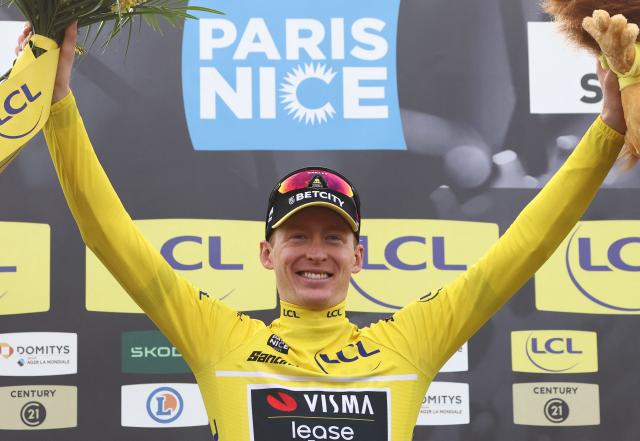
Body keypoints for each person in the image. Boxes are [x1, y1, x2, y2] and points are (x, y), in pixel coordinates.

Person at [17, 19, 627, 441]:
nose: (316, 252)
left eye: (332, 237)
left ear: (357, 255)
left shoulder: (407, 342)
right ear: (267, 252)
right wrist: (61, 104)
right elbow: (108, 233)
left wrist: (607, 131)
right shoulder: (218, 337)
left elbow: (524, 246)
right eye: (298, 236)